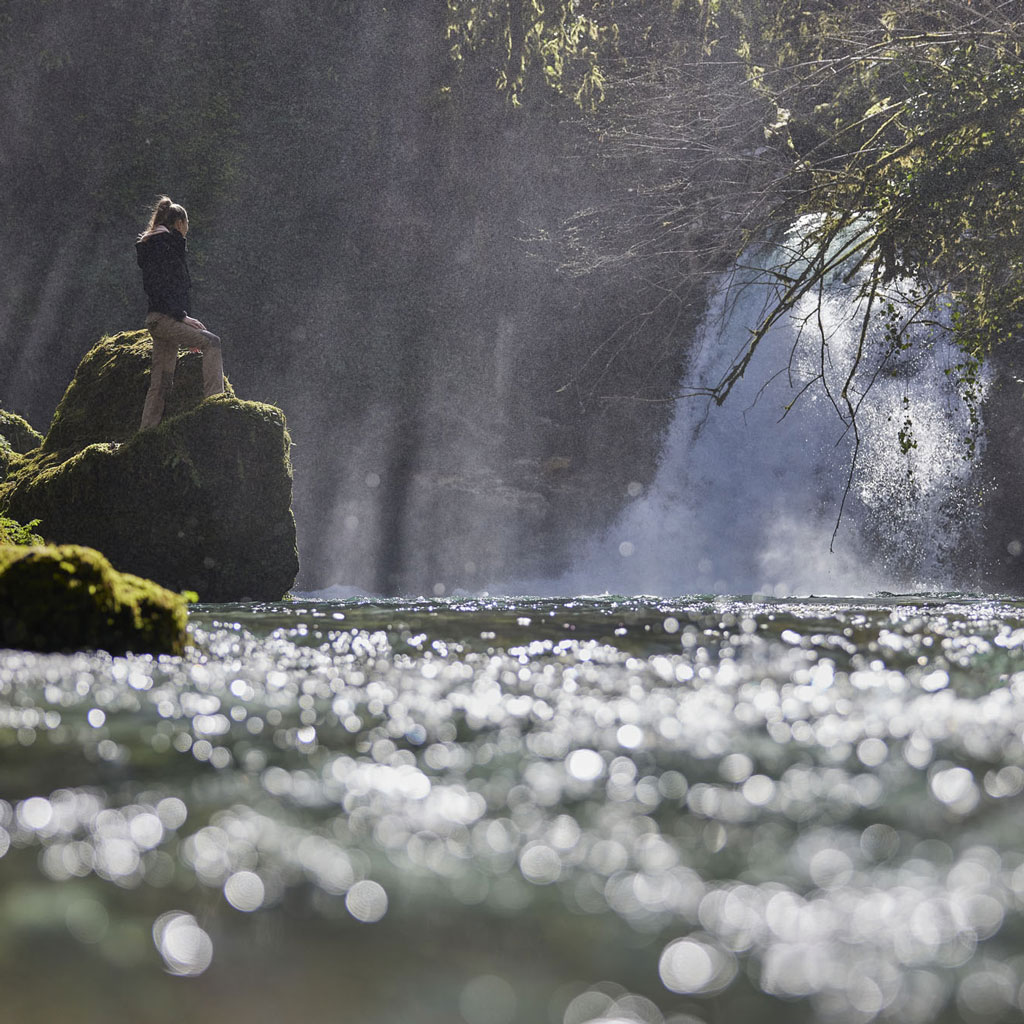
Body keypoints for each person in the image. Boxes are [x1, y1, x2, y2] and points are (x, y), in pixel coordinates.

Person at [136, 195, 225, 430]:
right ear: (179, 223)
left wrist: (182, 322)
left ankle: (147, 431)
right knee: (212, 343)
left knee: (162, 382)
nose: (187, 230)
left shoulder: (154, 245)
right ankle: (216, 404)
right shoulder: (166, 247)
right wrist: (182, 318)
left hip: (157, 319)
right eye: (187, 224)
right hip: (166, 318)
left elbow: (160, 286)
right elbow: (165, 286)